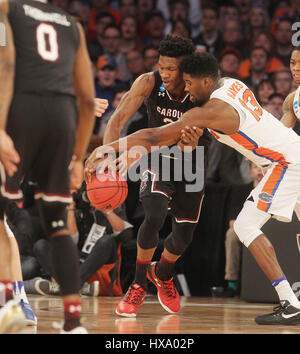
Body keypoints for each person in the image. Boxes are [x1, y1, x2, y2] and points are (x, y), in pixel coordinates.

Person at [86, 50, 300, 325]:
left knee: (245, 226)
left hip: (285, 163)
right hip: (287, 154)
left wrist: (107, 147)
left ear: (207, 83)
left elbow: (154, 135)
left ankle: (289, 302)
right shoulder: (232, 83)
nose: (185, 89)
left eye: (189, 83)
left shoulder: (213, 110)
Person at [94, 35, 210, 318]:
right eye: (162, 67)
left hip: (191, 161)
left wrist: (186, 144)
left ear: (187, 69)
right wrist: (108, 155)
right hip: (157, 158)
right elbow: (117, 119)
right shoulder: (148, 81)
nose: (166, 74)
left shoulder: (202, 93)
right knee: (154, 214)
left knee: (183, 236)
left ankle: (163, 272)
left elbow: (189, 144)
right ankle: (137, 284)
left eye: (172, 69)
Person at [0, 0, 96, 334]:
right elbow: (87, 99)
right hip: (62, 119)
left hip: (21, 110)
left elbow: (6, 64)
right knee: (58, 224)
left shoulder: (6, 10)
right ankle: (73, 322)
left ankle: (7, 306)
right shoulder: (72, 25)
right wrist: (78, 158)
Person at [211, 161, 265, 297]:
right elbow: (233, 220)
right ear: (250, 172)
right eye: (255, 167)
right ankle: (232, 283)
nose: (259, 170)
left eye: (262, 167)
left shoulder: (275, 190)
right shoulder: (240, 191)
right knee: (231, 234)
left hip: (269, 228)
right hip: (245, 226)